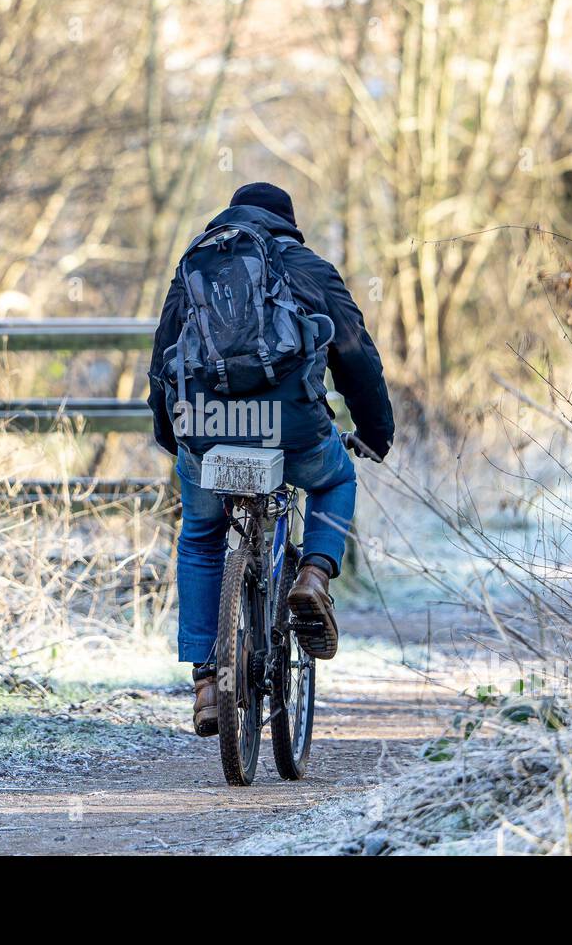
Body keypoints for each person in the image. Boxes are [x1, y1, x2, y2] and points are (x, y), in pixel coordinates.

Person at [146, 182, 394, 736]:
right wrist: (375, 433)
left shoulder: (196, 266)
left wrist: (174, 437)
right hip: (292, 431)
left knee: (200, 536)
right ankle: (312, 574)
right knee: (337, 480)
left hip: (205, 430)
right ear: (287, 221)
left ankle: (207, 680)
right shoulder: (306, 267)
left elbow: (163, 360)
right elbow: (355, 352)